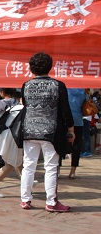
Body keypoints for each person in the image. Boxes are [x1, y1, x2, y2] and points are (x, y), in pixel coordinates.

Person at [19, 52, 74, 212]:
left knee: (29, 165)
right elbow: (65, 110)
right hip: (51, 131)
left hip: (29, 130)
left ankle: (25, 200)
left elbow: (26, 106)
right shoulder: (58, 85)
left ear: (31, 68)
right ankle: (51, 202)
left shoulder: (26, 85)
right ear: (50, 66)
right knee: (51, 166)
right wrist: (70, 129)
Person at [66, 89, 86, 178]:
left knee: (59, 144)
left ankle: (57, 170)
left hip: (65, 121)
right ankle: (73, 171)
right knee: (76, 145)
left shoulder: (66, 90)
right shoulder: (84, 91)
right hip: (78, 121)